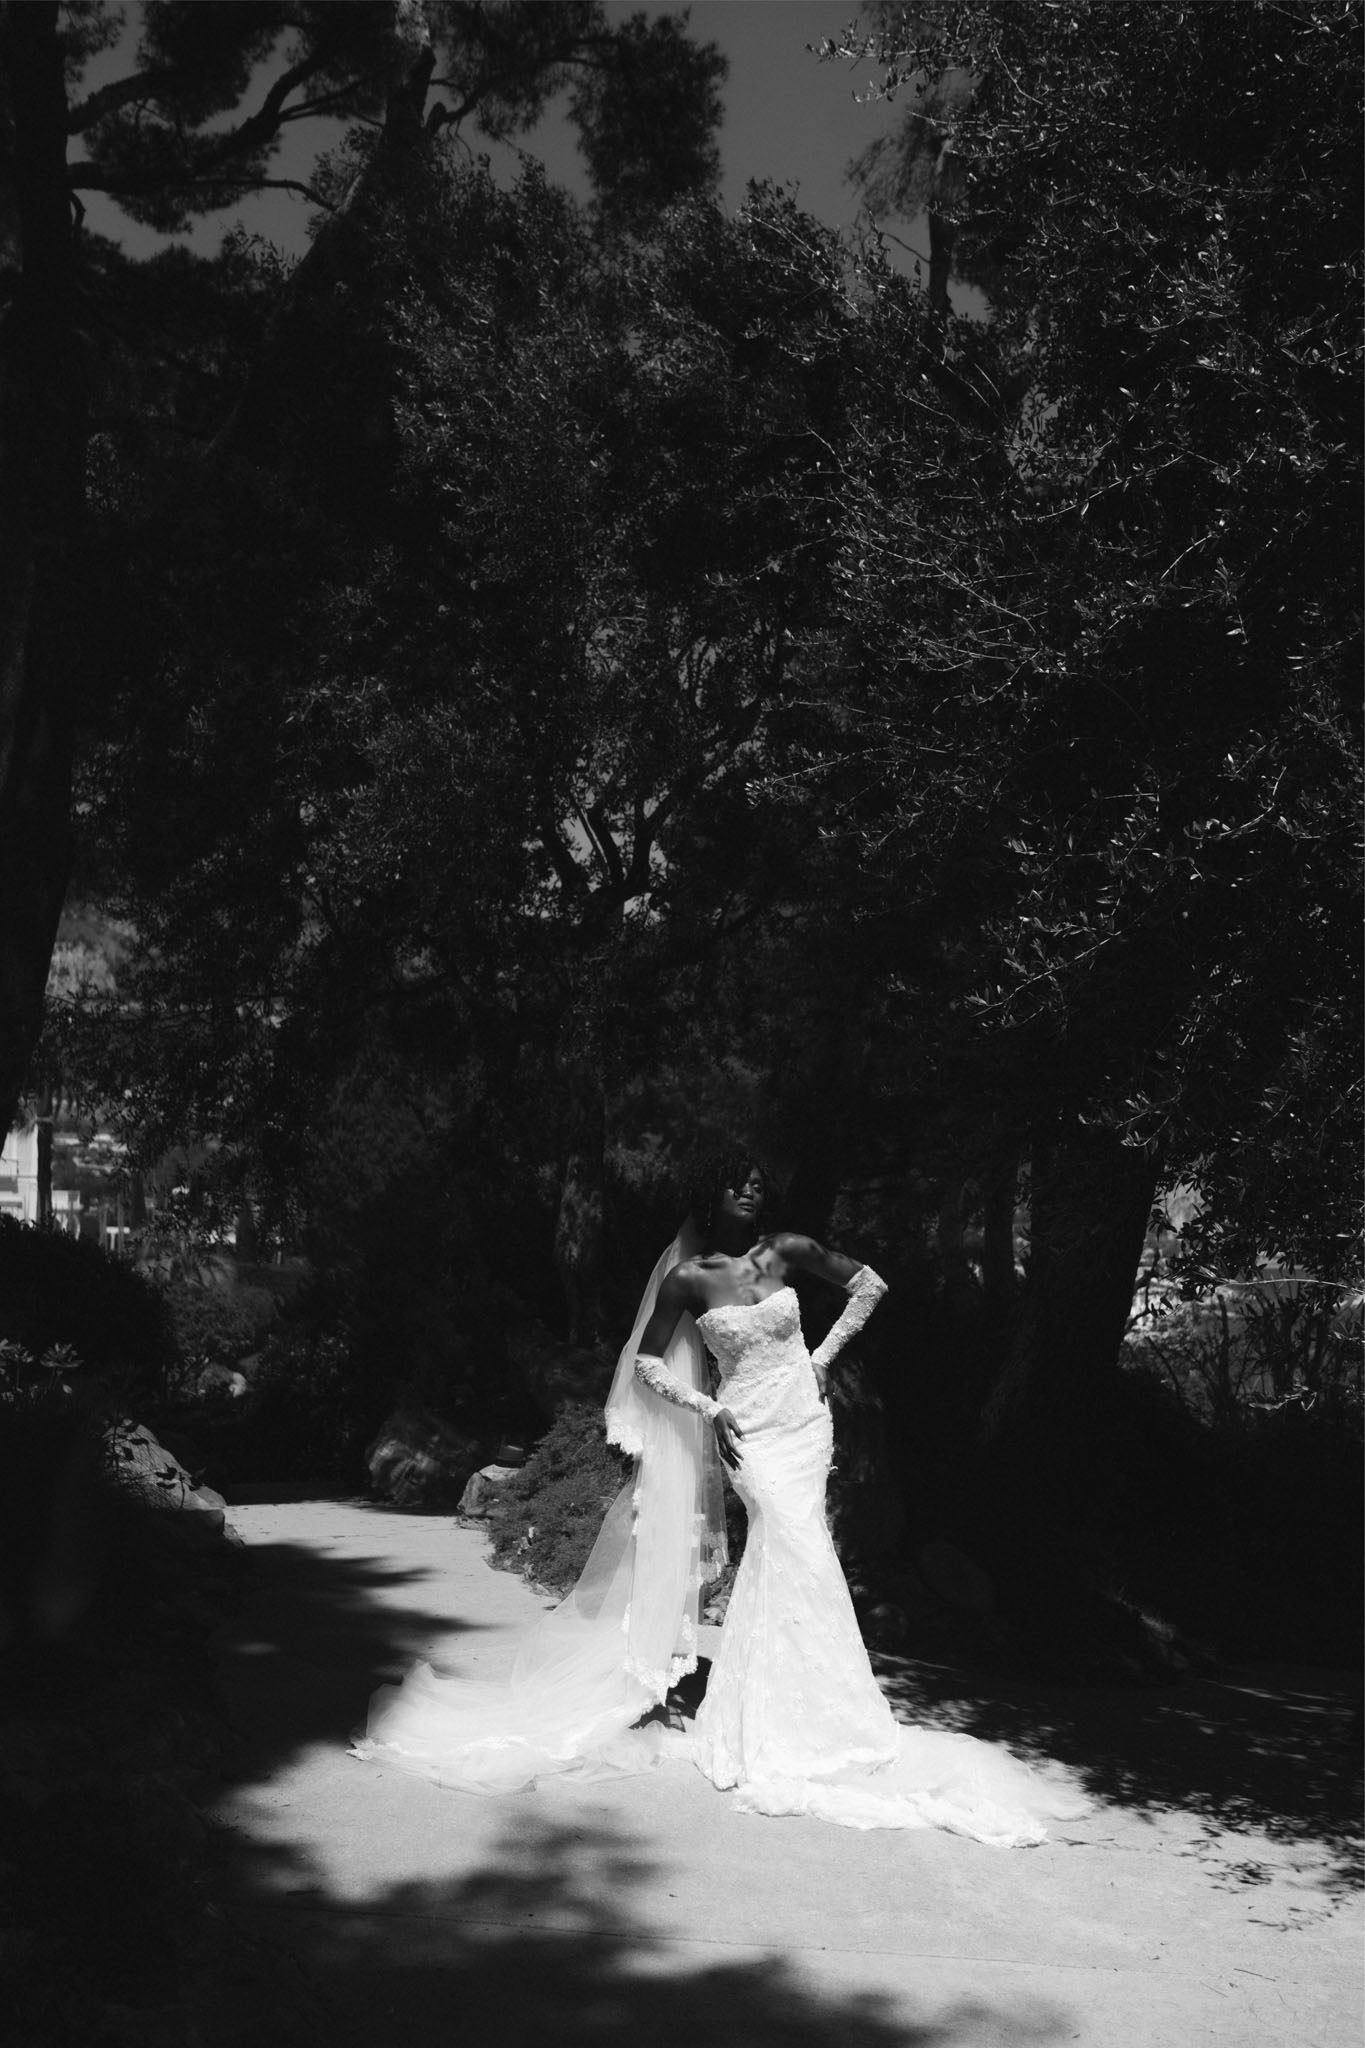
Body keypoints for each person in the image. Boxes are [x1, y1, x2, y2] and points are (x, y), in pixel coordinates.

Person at [352, 1153, 1090, 1844]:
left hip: (804, 1421)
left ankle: (808, 1712)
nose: (750, 1191)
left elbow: (870, 1285)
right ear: (709, 1194)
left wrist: (820, 1360)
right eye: (736, 1182)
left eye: (757, 1182)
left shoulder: (787, 1249)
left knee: (800, 1550)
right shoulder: (687, 1278)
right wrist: (710, 1412)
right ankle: (783, 1715)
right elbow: (644, 1362)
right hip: (747, 1432)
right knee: (791, 1546)